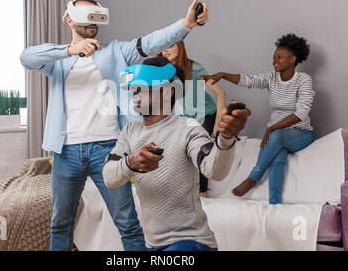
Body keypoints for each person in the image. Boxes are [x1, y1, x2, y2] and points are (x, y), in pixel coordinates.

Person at [20, 0, 208, 251]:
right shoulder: (59, 61)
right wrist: (69, 50)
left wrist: (186, 24)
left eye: (96, 14)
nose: (92, 21)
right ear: (69, 19)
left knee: (128, 223)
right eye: (86, 15)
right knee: (60, 223)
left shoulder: (117, 51)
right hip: (66, 151)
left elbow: (153, 41)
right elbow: (26, 57)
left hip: (107, 149)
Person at [103, 57, 251, 251]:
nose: (134, 96)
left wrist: (226, 138)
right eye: (133, 91)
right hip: (153, 245)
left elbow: (214, 170)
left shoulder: (187, 127)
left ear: (166, 92)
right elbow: (108, 177)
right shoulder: (130, 131)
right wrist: (131, 162)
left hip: (191, 242)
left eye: (141, 89)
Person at [200, 33, 315, 205]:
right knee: (278, 155)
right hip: (278, 135)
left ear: (292, 59)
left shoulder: (303, 80)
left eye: (279, 57)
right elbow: (249, 81)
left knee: (277, 136)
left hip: (301, 133)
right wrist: (223, 75)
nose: (274, 60)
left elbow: (301, 113)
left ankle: (253, 178)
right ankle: (275, 204)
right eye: (273, 57)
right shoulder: (271, 78)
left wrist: (272, 128)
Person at [159, 41, 226, 197]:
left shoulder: (194, 69)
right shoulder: (165, 72)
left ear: (180, 47)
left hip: (206, 116)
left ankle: (204, 195)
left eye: (169, 46)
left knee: (199, 150)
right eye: (162, 48)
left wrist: (218, 123)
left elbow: (221, 93)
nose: (164, 51)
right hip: (186, 119)